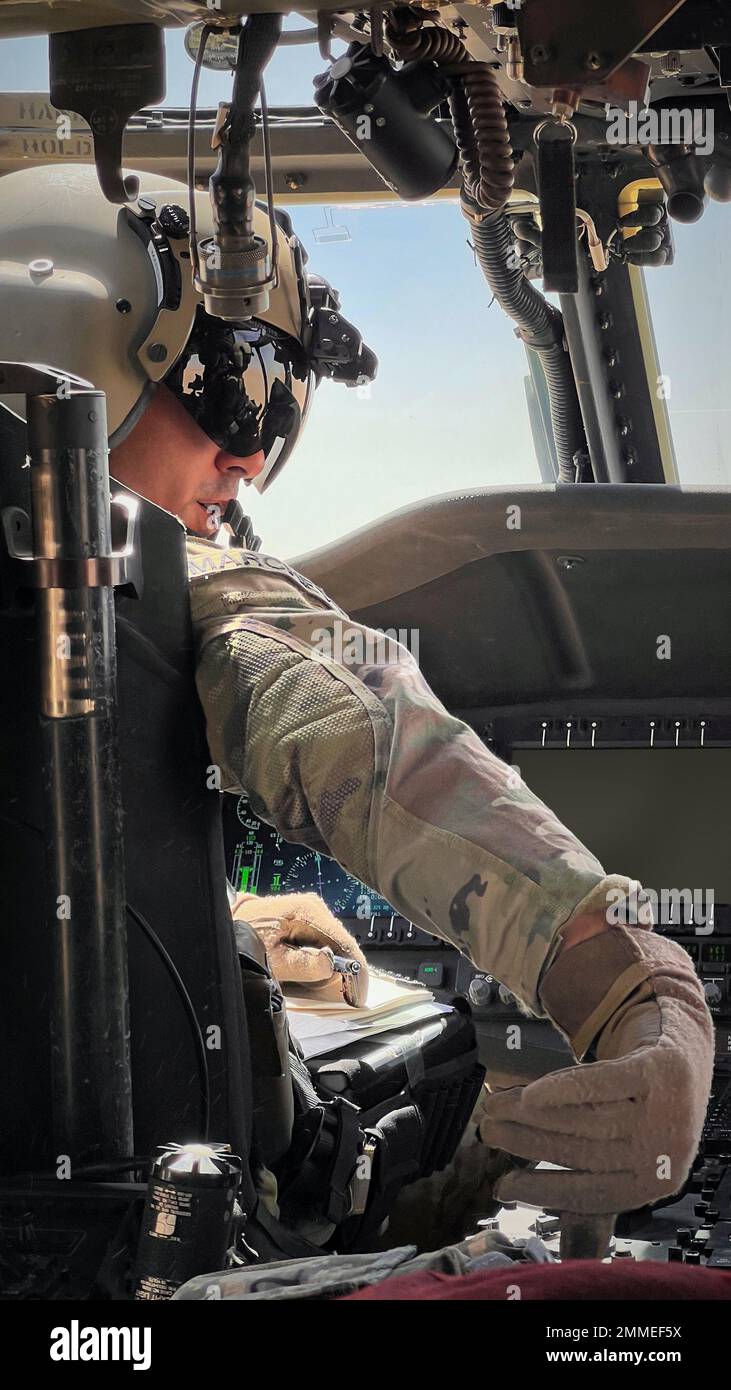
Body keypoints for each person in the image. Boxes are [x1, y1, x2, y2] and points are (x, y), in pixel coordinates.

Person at [0, 164, 713, 1225]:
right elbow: (359, 731)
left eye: (282, 402)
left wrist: (214, 919)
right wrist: (635, 985)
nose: (250, 451)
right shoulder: (142, 577)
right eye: (235, 381)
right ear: (64, 339)